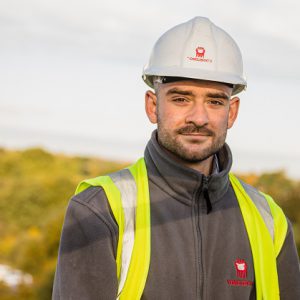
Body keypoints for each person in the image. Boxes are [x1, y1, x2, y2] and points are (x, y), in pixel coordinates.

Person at [52, 17, 300, 300]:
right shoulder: (101, 208)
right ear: (152, 105)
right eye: (181, 99)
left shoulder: (269, 220)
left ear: (232, 113)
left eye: (215, 101)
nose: (198, 117)